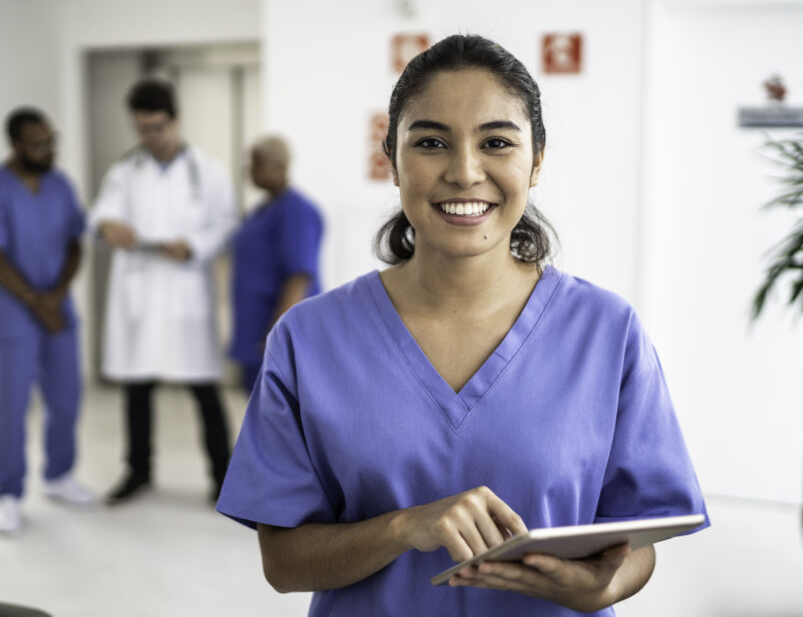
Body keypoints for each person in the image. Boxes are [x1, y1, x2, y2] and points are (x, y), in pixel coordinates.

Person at [216, 35, 709, 615]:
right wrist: (404, 527)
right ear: (392, 161)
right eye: (430, 143)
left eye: (496, 142)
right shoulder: (307, 340)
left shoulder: (607, 332)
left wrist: (607, 585)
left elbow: (640, 538)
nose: (465, 172)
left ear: (537, 161)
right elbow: (284, 563)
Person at [90, 78, 235, 504]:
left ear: (175, 121)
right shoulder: (124, 172)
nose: (150, 137)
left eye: (157, 127)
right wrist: (106, 226)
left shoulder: (207, 171)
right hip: (139, 295)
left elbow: (225, 224)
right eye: (142, 128)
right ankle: (138, 471)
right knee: (137, 389)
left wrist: (192, 246)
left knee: (205, 391)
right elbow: (101, 215)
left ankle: (224, 481)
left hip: (185, 288)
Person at [0, 107, 95, 535]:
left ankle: (58, 475)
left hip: (58, 310)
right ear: (15, 146)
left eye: (51, 141)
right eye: (38, 144)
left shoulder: (60, 185)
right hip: (14, 316)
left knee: (66, 397)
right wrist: (34, 301)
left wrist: (56, 295)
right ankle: (7, 492)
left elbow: (76, 242)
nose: (47, 150)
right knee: (12, 404)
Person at [229, 135, 324, 393]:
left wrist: (278, 336)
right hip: (255, 332)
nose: (248, 170)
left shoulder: (296, 211)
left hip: (277, 336)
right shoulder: (263, 210)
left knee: (281, 419)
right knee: (259, 417)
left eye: (256, 163)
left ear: (277, 167)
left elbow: (299, 277)